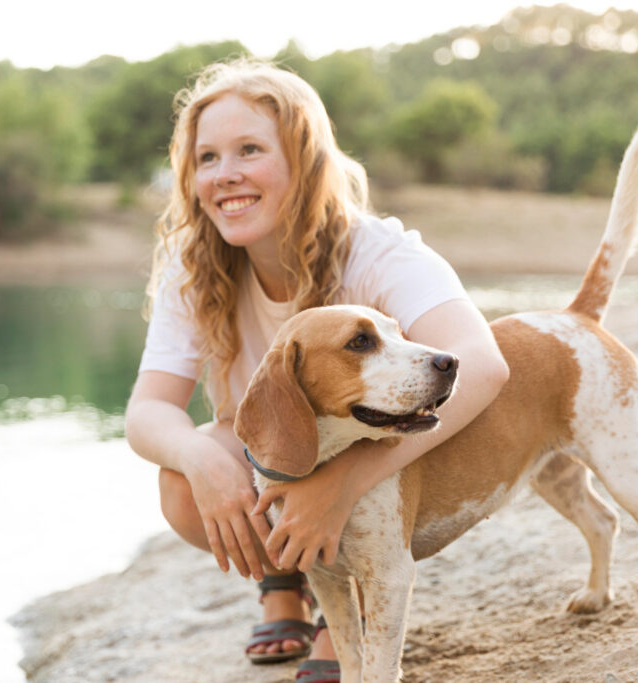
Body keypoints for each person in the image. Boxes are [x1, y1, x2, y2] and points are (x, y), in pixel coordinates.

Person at [124, 58, 509, 679]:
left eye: (249, 150)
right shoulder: (193, 267)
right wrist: (203, 463)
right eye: (207, 158)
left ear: (304, 161)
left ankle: (345, 604)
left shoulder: (378, 252)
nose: (226, 175)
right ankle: (284, 582)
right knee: (177, 481)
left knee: (342, 477)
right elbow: (146, 412)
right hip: (279, 440)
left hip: (370, 443)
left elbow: (484, 364)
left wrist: (343, 484)